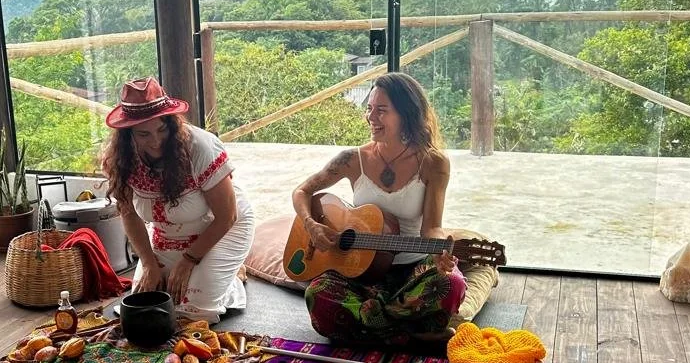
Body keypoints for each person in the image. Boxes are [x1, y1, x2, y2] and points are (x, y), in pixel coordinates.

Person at [291, 72, 497, 344]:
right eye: (369, 109)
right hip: (361, 273)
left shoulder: (433, 163)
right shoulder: (353, 159)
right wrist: (311, 225)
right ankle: (411, 334)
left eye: (381, 111)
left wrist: (440, 252)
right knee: (317, 295)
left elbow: (431, 228)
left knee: (452, 285)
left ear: (406, 115)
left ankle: (371, 327)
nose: (371, 117)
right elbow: (302, 191)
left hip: (411, 270)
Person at [102, 77, 254, 323]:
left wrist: (188, 260)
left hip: (224, 227)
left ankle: (229, 276)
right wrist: (149, 263)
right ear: (127, 134)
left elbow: (228, 216)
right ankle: (218, 273)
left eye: (162, 129)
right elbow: (129, 215)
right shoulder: (120, 159)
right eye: (143, 134)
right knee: (149, 302)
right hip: (167, 234)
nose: (155, 141)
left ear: (171, 123)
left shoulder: (201, 147)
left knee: (194, 310)